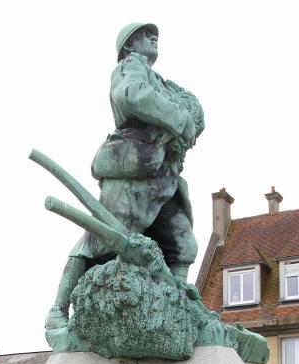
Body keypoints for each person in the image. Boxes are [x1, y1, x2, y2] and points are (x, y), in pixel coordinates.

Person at [46, 22, 204, 333]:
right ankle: (57, 309)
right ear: (128, 47)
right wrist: (178, 118)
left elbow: (195, 110)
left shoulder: (164, 82)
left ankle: (176, 303)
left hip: (162, 174)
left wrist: (185, 117)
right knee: (100, 240)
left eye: (153, 34)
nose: (153, 37)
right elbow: (132, 96)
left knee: (182, 242)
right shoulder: (129, 68)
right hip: (132, 166)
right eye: (145, 35)